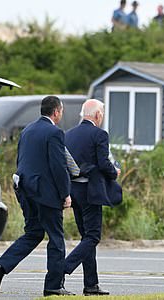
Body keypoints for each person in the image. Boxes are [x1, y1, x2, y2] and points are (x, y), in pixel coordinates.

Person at [0, 96, 74, 296]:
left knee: (33, 233)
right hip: (46, 193)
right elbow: (58, 166)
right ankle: (53, 286)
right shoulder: (55, 132)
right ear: (56, 112)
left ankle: (1, 267)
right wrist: (65, 193)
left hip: (25, 189)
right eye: (61, 111)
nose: (61, 115)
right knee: (56, 238)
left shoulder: (27, 130)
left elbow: (22, 160)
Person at [63, 99, 120, 296]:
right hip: (90, 192)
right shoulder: (99, 134)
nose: (102, 117)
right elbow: (104, 164)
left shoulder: (68, 134)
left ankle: (91, 284)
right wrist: (115, 173)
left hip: (74, 192)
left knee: (86, 238)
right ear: (97, 115)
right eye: (102, 114)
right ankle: (63, 267)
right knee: (93, 236)